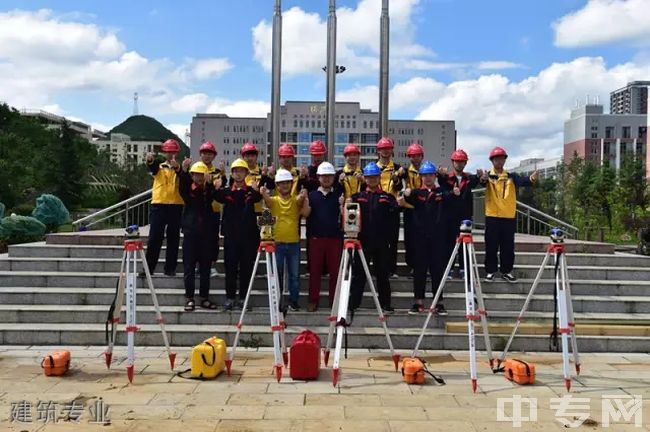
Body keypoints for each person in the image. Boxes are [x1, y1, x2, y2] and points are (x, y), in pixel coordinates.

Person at [399, 161, 457, 315]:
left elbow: (453, 196)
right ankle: (418, 302)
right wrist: (404, 195)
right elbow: (403, 196)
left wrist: (454, 191)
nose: (428, 178)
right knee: (419, 271)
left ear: (435, 176)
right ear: (421, 177)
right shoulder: (416, 193)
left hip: (438, 239)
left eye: (430, 175)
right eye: (425, 175)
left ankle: (439, 303)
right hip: (420, 239)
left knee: (438, 271)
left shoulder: (442, 193)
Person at [481, 146, 538, 283]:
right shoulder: (488, 176)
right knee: (491, 245)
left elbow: (524, 181)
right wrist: (482, 178)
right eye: (496, 159)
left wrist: (532, 178)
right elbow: (479, 183)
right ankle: (490, 271)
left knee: (508, 246)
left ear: (504, 160)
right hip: (492, 216)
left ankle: (507, 271)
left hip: (508, 216)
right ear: (492, 161)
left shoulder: (511, 177)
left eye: (501, 158)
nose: (499, 161)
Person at [214, 158, 262, 310]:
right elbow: (215, 197)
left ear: (246, 173)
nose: (238, 174)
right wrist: (215, 187)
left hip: (248, 237)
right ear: (232, 174)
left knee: (246, 269)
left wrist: (255, 189)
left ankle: (243, 299)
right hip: (231, 238)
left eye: (241, 171)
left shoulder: (251, 192)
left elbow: (258, 197)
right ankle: (229, 298)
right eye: (235, 171)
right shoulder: (226, 192)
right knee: (230, 268)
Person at [349, 162, 398, 313]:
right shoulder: (357, 197)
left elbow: (394, 220)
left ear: (379, 177)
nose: (372, 180)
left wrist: (391, 241)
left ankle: (385, 304)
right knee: (359, 275)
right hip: (362, 242)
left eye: (375, 177)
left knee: (382, 274)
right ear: (364, 178)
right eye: (369, 177)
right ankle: (353, 304)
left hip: (381, 242)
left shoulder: (388, 197)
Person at [260, 169, 310, 311]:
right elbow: (267, 201)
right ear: (277, 185)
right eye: (282, 183)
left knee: (294, 276)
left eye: (287, 183)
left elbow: (306, 213)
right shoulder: (274, 200)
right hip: (277, 243)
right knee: (277, 274)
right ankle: (278, 301)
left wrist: (305, 198)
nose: (285, 186)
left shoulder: (296, 200)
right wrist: (263, 193)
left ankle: (294, 301)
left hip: (294, 243)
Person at [178, 161, 219, 311]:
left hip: (206, 236)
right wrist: (183, 171)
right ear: (192, 175)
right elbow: (182, 188)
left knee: (205, 270)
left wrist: (209, 185)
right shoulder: (188, 191)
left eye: (202, 175)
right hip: (190, 235)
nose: (199, 178)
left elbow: (210, 200)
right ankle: (189, 298)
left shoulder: (208, 190)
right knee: (188, 268)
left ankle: (204, 297)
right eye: (196, 175)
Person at [304, 162, 343, 312]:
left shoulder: (339, 195)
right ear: (318, 177)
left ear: (333, 177)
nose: (326, 179)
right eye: (323, 176)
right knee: (315, 272)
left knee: (335, 272)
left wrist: (342, 205)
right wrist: (305, 201)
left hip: (335, 239)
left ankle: (334, 301)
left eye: (329, 176)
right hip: (316, 239)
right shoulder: (312, 195)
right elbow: (305, 214)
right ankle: (313, 300)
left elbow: (343, 215)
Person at [438, 149, 482, 279]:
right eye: (457, 161)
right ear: (453, 162)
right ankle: (449, 269)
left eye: (462, 161)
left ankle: (464, 269)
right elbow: (439, 180)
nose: (459, 164)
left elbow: (481, 181)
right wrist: (440, 173)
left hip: (465, 217)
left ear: (465, 163)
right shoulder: (446, 179)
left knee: (465, 244)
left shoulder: (469, 179)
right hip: (449, 217)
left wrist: (482, 177)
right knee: (449, 243)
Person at [144, 139, 183, 277]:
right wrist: (149, 160)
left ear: (176, 153)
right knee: (155, 237)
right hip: (159, 204)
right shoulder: (159, 167)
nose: (170, 154)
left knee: (173, 239)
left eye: (173, 151)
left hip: (176, 205)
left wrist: (178, 168)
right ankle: (148, 268)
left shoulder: (181, 168)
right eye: (168, 151)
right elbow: (152, 167)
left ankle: (170, 269)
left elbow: (185, 178)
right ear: (165, 153)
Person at [375, 137, 402, 278]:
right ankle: (378, 268)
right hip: (377, 207)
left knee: (393, 240)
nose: (385, 151)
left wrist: (397, 179)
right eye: (382, 149)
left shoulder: (398, 168)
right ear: (378, 151)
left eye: (388, 148)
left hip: (392, 208)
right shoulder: (372, 167)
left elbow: (400, 187)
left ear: (392, 150)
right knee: (377, 239)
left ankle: (392, 269)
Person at [396, 143, 425, 275]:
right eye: (412, 156)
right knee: (410, 240)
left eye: (418, 155)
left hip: (424, 208)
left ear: (422, 156)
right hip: (410, 209)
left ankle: (424, 265)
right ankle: (412, 265)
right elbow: (395, 180)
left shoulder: (427, 171)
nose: (415, 158)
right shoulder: (406, 172)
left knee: (423, 238)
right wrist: (398, 174)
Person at [197, 141, 225, 277]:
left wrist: (223, 175)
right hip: (199, 210)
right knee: (198, 239)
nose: (207, 156)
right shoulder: (195, 170)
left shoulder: (218, 172)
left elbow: (220, 188)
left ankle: (212, 265)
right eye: (204, 153)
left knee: (213, 239)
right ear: (200, 155)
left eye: (210, 154)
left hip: (213, 209)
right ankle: (198, 265)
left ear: (213, 156)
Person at [239, 142, 275, 215]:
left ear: (256, 157)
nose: (250, 158)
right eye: (247, 155)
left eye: (252, 155)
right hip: (241, 210)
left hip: (257, 210)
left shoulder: (262, 172)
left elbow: (271, 186)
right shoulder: (239, 172)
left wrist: (271, 176)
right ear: (243, 157)